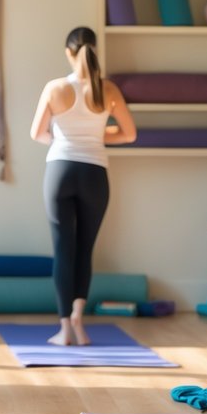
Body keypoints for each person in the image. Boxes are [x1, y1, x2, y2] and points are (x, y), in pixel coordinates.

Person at [29, 26, 136, 347]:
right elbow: (129, 134)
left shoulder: (55, 88)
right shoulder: (109, 90)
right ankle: (78, 316)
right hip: (95, 174)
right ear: (94, 50)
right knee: (84, 248)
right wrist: (97, 137)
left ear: (68, 52)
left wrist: (63, 140)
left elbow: (37, 133)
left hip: (60, 170)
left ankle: (64, 329)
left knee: (63, 248)